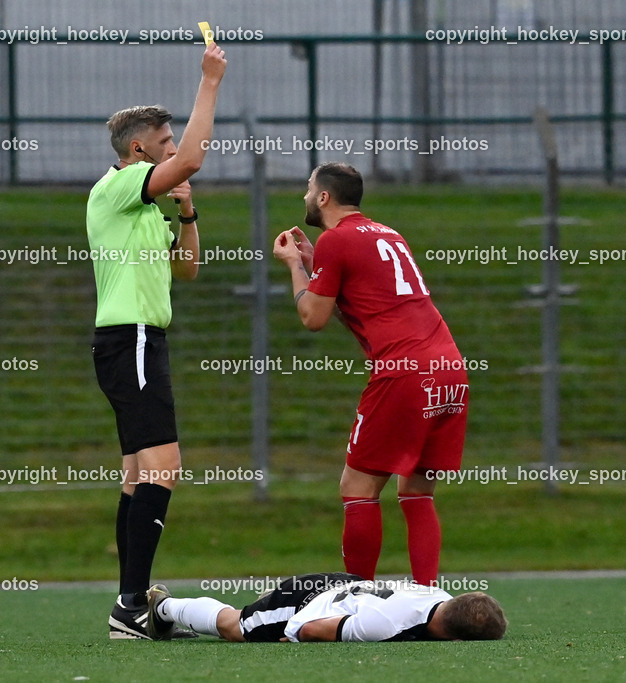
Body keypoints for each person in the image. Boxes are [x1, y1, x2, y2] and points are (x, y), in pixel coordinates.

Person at [87, 41, 227, 640]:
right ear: (139, 150)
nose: (175, 151)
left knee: (136, 476)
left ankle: (129, 602)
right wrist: (211, 81)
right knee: (165, 467)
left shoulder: (143, 207)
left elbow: (187, 270)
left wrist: (188, 215)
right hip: (133, 340)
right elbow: (193, 157)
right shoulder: (117, 187)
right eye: (164, 143)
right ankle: (131, 607)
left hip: (135, 343)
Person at [271, 163, 468, 587]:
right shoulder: (389, 234)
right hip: (449, 366)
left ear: (324, 197)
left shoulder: (335, 239)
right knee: (417, 492)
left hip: (404, 372)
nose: (304, 196)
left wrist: (294, 266)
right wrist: (315, 264)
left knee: (356, 487)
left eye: (308, 189)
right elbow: (367, 302)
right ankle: (427, 598)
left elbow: (313, 317)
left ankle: (354, 595)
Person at [145, 574, 507, 642]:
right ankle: (164, 607)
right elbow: (310, 630)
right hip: (306, 601)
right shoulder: (382, 626)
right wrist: (296, 636)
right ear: (454, 640)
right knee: (236, 628)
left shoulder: (442, 597)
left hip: (348, 586)